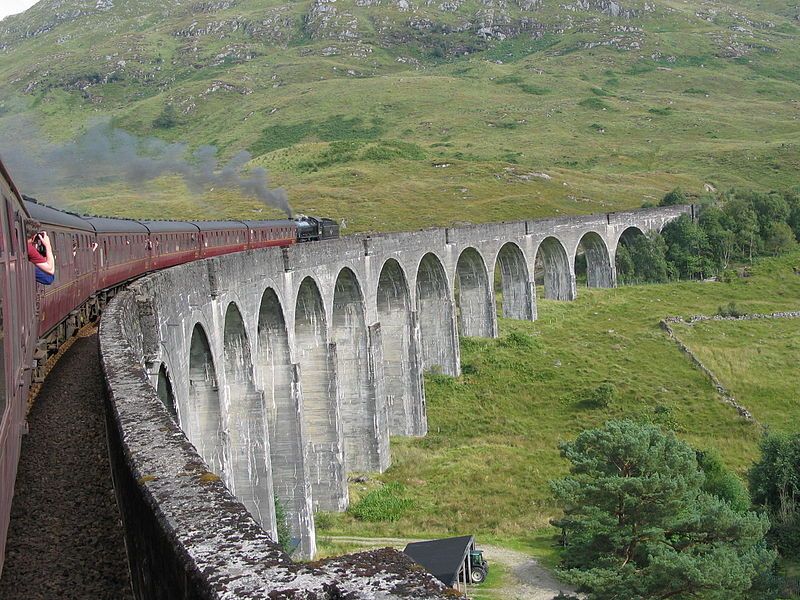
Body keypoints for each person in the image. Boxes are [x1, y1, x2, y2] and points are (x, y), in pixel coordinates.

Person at [25, 218, 55, 285]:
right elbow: (50, 270)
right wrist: (48, 246)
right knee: (49, 277)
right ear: (34, 236)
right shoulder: (29, 247)